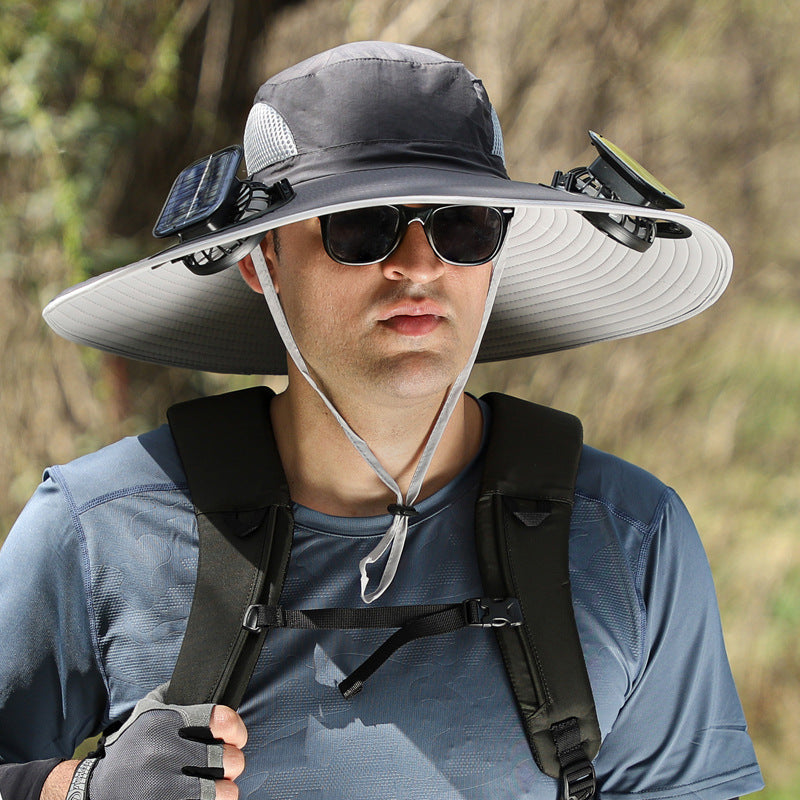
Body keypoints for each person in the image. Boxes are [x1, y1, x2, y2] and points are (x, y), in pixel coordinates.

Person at [0, 41, 763, 800]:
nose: (420, 265)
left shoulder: (630, 539)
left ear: (495, 258)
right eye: (362, 226)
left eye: (462, 226)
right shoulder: (99, 528)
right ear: (261, 258)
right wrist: (74, 791)